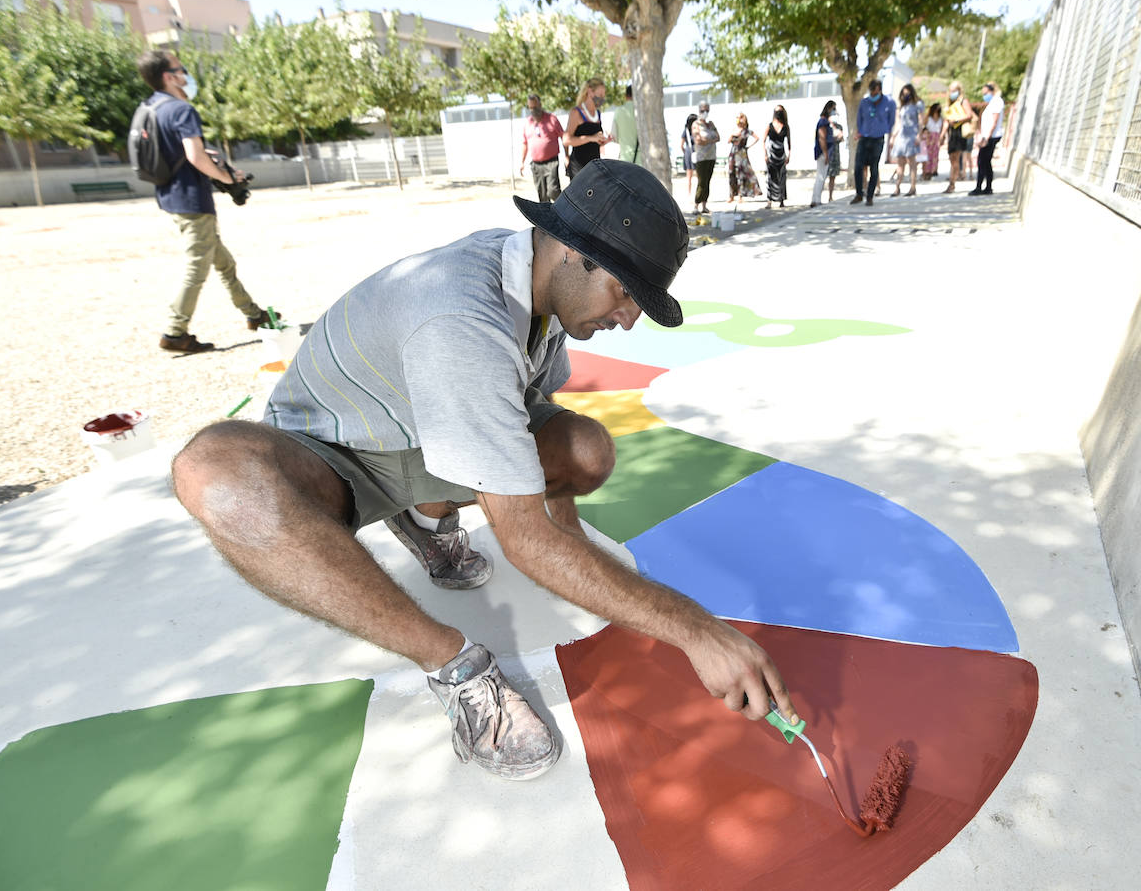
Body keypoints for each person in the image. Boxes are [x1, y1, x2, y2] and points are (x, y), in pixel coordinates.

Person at [170, 159, 800, 782]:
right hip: (334, 456)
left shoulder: (542, 292)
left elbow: (534, 417)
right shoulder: (462, 316)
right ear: (575, 253)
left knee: (585, 449)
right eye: (626, 291)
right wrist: (698, 632)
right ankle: (457, 669)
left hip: (428, 430)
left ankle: (424, 518)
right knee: (212, 473)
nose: (630, 318)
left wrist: (568, 535)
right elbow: (524, 542)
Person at [136, 50, 276, 354]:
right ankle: (175, 332)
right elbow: (194, 156)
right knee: (196, 267)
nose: (187, 75)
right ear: (170, 77)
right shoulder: (181, 109)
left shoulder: (150, 108)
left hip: (171, 197)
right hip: (192, 200)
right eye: (181, 69)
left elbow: (179, 154)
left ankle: (253, 314)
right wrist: (229, 180)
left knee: (223, 262)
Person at [851, 78, 894, 206]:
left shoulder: (889, 102)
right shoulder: (864, 102)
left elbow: (891, 120)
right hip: (864, 137)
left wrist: (887, 131)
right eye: (871, 92)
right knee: (858, 166)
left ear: (879, 90)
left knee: (873, 167)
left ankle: (870, 196)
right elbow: (859, 118)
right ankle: (859, 193)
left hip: (878, 139)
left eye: (875, 92)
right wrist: (859, 131)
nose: (873, 95)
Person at [519, 94, 566, 203]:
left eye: (535, 107)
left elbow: (563, 137)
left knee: (553, 190)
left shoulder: (552, 119)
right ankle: (547, 218)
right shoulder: (528, 123)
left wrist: (567, 156)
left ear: (540, 105)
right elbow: (524, 143)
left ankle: (563, 208)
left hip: (551, 162)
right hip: (536, 165)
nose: (533, 110)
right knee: (543, 196)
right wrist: (522, 162)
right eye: (530, 108)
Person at [565, 77, 612, 180]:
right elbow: (566, 140)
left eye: (603, 96)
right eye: (600, 95)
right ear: (590, 92)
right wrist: (590, 138)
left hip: (595, 167)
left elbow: (595, 141)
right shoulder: (576, 113)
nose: (602, 98)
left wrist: (603, 141)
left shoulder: (598, 114)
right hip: (578, 168)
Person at [887, 83, 923, 197]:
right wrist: (893, 137)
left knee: (912, 163)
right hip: (901, 137)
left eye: (907, 93)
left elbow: (921, 122)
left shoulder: (918, 104)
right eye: (903, 93)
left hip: (912, 135)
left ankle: (913, 187)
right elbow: (898, 123)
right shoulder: (901, 107)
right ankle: (897, 187)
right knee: (900, 163)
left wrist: (919, 135)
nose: (905, 95)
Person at [972, 82, 1006, 196]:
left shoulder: (996, 101)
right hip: (987, 136)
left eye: (986, 93)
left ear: (991, 91)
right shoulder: (992, 102)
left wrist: (986, 137)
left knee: (983, 161)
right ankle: (986, 187)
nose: (984, 95)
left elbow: (994, 121)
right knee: (984, 162)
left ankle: (982, 187)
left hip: (991, 136)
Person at [943, 81, 975, 194]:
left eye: (954, 90)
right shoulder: (950, 103)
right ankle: (953, 179)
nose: (952, 93)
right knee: (951, 158)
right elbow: (946, 120)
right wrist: (942, 135)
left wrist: (957, 120)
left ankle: (952, 183)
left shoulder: (963, 101)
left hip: (960, 132)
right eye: (951, 91)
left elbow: (969, 115)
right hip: (952, 133)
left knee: (956, 158)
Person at [726, 113, 762, 203]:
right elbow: (728, 141)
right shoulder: (735, 130)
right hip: (733, 153)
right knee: (731, 173)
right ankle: (731, 195)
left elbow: (757, 138)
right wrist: (733, 135)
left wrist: (748, 146)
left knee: (741, 174)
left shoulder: (746, 131)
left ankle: (741, 195)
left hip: (741, 153)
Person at [691, 102, 720, 214]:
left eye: (707, 110)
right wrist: (710, 140)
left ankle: (704, 205)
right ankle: (696, 205)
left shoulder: (710, 124)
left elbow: (718, 137)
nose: (705, 113)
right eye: (703, 110)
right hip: (701, 157)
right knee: (701, 181)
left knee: (707, 181)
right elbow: (698, 141)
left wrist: (708, 141)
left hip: (711, 156)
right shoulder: (696, 124)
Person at [761, 106, 790, 208]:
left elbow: (789, 142)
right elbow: (763, 140)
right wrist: (765, 154)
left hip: (781, 154)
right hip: (771, 154)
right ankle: (769, 200)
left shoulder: (785, 126)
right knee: (770, 177)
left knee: (781, 176)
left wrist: (789, 155)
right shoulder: (770, 126)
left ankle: (781, 199)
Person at [809, 100, 836, 206]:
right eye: (833, 109)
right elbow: (822, 138)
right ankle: (816, 200)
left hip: (824, 151)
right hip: (823, 152)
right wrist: (825, 153)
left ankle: (815, 198)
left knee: (820, 176)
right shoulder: (823, 122)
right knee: (821, 176)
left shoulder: (826, 122)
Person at [610, 85, 639, 164]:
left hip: (625, 160)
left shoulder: (618, 111)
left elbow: (614, 137)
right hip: (643, 162)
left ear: (626, 96)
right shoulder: (643, 112)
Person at [921, 102, 944, 180]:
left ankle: (932, 171)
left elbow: (941, 129)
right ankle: (926, 172)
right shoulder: (928, 118)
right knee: (927, 155)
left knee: (935, 155)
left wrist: (942, 138)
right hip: (929, 137)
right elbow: (922, 126)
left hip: (937, 138)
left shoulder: (941, 118)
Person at [680, 113, 699, 195]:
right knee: (691, 176)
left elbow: (681, 146)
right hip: (693, 152)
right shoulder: (687, 131)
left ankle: (694, 193)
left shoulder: (692, 131)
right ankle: (690, 193)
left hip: (690, 152)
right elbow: (681, 145)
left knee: (693, 176)